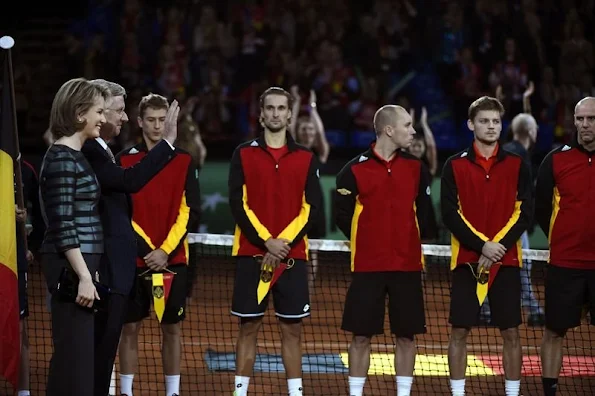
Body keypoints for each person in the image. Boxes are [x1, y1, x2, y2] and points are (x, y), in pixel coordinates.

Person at [81, 79, 179, 396]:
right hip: (104, 271)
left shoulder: (104, 151)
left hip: (116, 269)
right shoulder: (92, 152)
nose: (124, 118)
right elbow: (130, 180)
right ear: (96, 110)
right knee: (95, 356)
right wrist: (167, 142)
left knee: (103, 353)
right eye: (119, 111)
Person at [228, 87, 321, 396]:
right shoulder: (243, 153)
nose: (276, 113)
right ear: (261, 113)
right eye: (270, 108)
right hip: (252, 255)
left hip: (292, 257)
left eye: (282, 108)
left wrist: (282, 243)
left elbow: (312, 209)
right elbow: (238, 205)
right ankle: (240, 393)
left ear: (290, 114)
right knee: (248, 328)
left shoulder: (307, 158)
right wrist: (268, 241)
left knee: (292, 330)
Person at [335, 105, 431, 396]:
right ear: (389, 130)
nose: (413, 131)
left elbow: (425, 218)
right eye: (408, 125)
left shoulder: (417, 168)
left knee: (406, 336)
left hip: (407, 267)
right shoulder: (352, 170)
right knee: (361, 336)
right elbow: (343, 217)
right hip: (368, 267)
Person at [441, 96, 532, 396]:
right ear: (471, 124)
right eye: (484, 121)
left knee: (511, 333)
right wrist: (483, 246)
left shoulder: (518, 165)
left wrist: (498, 247)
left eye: (495, 121)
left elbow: (525, 213)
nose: (491, 126)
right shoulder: (453, 166)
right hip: (468, 261)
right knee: (459, 332)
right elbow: (450, 215)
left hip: (505, 261)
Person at [117, 93, 200, 396]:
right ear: (139, 122)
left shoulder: (184, 161)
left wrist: (164, 250)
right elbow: (121, 211)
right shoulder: (124, 160)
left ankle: (172, 392)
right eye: (150, 120)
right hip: (134, 261)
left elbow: (190, 209)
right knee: (129, 328)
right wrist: (147, 250)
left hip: (173, 260)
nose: (156, 126)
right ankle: (126, 391)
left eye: (161, 120)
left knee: (172, 329)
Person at [38, 78, 109, 395]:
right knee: (74, 361)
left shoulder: (75, 156)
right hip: (71, 267)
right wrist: (83, 275)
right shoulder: (63, 159)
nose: (103, 119)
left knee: (75, 359)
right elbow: (62, 223)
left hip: (81, 263)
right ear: (80, 113)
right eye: (99, 111)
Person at [536, 96, 595, 396]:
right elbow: (541, 206)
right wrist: (561, 236)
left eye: (591, 119)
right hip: (565, 264)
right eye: (580, 118)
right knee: (554, 331)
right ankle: (550, 392)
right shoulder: (555, 160)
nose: (585, 125)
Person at [480, 112, 545, 326]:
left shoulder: (506, 150)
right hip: (511, 222)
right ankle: (532, 309)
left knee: (497, 264)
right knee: (522, 264)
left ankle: (487, 309)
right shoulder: (517, 155)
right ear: (532, 132)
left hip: (495, 220)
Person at [14, 159, 45, 396]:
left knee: (20, 327)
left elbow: (41, 213)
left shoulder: (25, 170)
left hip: (16, 262)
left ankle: (23, 392)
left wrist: (32, 245)